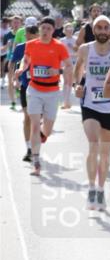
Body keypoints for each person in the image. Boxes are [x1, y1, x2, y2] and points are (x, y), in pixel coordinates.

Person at [73, 15, 110, 210]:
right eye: (98, 27)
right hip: (90, 104)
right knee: (93, 144)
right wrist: (78, 85)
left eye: (105, 27)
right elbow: (78, 69)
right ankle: (91, 188)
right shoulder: (86, 49)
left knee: (105, 152)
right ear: (94, 30)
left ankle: (101, 190)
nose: (102, 31)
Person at [20, 17, 73, 177]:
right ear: (39, 29)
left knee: (47, 130)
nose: (45, 31)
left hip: (52, 92)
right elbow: (26, 59)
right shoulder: (31, 45)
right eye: (43, 28)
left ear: (53, 30)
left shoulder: (59, 46)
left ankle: (41, 137)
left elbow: (70, 66)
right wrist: (22, 68)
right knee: (35, 125)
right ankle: (36, 162)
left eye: (48, 28)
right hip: (34, 89)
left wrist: (58, 72)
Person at [10, 23, 39, 161]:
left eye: (31, 34)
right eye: (27, 34)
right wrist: (14, 79)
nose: (28, 37)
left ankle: (35, 144)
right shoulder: (21, 48)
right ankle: (29, 149)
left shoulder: (43, 47)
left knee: (37, 120)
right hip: (26, 87)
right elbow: (14, 63)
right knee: (27, 117)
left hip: (42, 88)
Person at [60, 22, 77, 108]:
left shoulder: (76, 40)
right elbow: (59, 53)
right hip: (65, 63)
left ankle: (68, 101)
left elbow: (78, 52)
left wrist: (72, 53)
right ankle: (65, 101)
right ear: (64, 31)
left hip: (74, 62)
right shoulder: (62, 40)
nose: (69, 31)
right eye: (67, 29)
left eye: (71, 29)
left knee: (71, 82)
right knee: (66, 81)